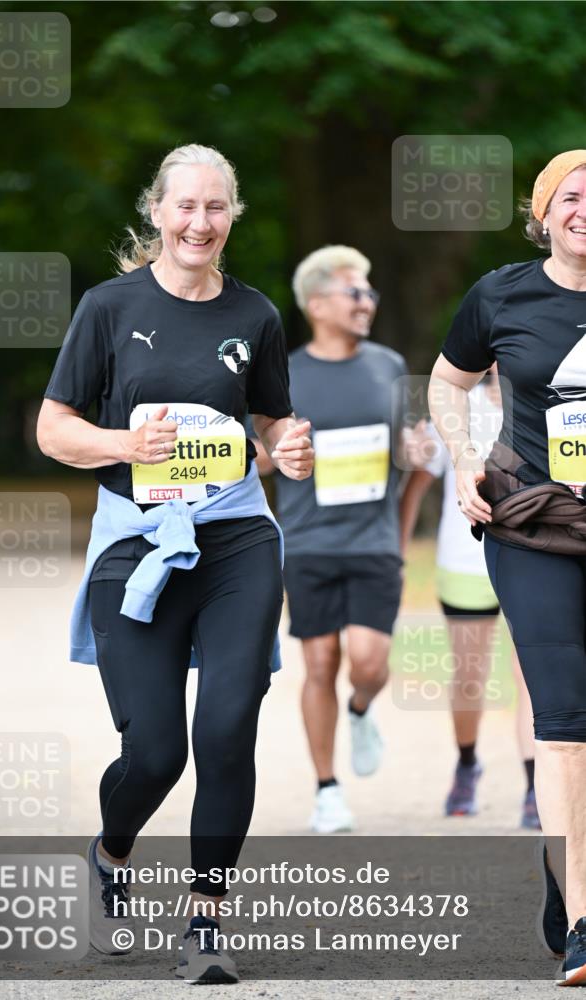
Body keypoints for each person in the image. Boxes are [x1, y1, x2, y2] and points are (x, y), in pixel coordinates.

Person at [36, 143, 314, 985]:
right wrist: (123, 442)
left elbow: (271, 423)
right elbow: (54, 428)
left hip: (236, 538)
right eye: (184, 206)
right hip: (139, 544)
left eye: (215, 208)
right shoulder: (108, 307)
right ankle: (112, 852)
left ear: (232, 216)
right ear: (156, 212)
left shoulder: (256, 314)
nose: (199, 223)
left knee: (226, 729)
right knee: (155, 752)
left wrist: (288, 446)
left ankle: (206, 923)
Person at [427, 150, 586, 986]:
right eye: (570, 196)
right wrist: (461, 459)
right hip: (535, 529)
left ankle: (565, 883)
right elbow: (447, 384)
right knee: (564, 720)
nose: (583, 208)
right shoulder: (500, 294)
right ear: (543, 211)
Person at [254, 244, 414, 834]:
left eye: (370, 291)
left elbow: (411, 453)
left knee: (369, 663)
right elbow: (262, 459)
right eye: (355, 291)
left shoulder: (389, 365)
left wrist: (409, 477)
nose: (367, 301)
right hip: (308, 541)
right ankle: (327, 789)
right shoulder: (284, 373)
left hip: (373, 542)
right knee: (320, 660)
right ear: (318, 302)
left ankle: (362, 708)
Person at [399, 367, 540, 828]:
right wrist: (398, 552)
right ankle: (466, 763)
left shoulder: (544, 400)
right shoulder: (454, 404)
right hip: (465, 560)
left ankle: (536, 785)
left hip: (535, 556)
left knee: (532, 680)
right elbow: (417, 484)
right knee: (470, 678)